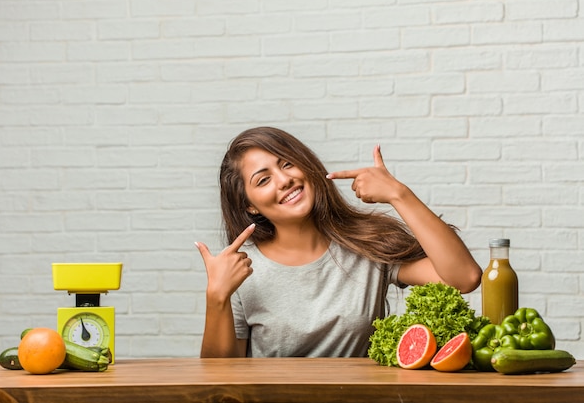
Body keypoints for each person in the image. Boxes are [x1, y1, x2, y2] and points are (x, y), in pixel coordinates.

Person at [195, 127, 482, 358]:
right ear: (250, 206)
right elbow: (220, 377)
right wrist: (216, 297)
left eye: (287, 163)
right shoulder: (239, 269)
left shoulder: (366, 244)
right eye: (263, 180)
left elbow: (465, 278)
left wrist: (399, 194)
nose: (284, 180)